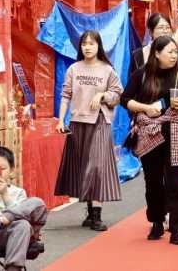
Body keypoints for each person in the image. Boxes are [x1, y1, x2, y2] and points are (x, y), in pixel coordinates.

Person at [121, 36, 178, 246]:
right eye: (170, 52)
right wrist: (146, 108)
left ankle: (177, 229)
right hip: (149, 131)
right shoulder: (142, 74)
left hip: (176, 131)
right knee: (153, 181)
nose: (174, 55)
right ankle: (156, 220)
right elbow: (125, 100)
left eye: (176, 52)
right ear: (157, 53)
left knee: (177, 183)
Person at [55, 30, 123, 231]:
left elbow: (118, 93)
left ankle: (97, 216)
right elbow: (65, 94)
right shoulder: (74, 69)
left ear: (99, 46)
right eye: (84, 43)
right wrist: (61, 120)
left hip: (100, 121)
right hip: (78, 122)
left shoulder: (107, 70)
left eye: (92, 43)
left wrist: (102, 95)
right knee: (83, 165)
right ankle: (89, 211)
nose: (87, 47)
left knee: (96, 165)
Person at [0, 147, 47, 271]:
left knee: (36, 204)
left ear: (11, 171)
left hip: (12, 235)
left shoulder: (18, 192)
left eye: (2, 169)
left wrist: (5, 195)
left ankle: (13, 269)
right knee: (23, 224)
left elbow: (23, 215)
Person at [129, 13, 178, 77]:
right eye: (161, 27)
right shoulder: (138, 55)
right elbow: (133, 80)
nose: (165, 31)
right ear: (151, 32)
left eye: (168, 27)